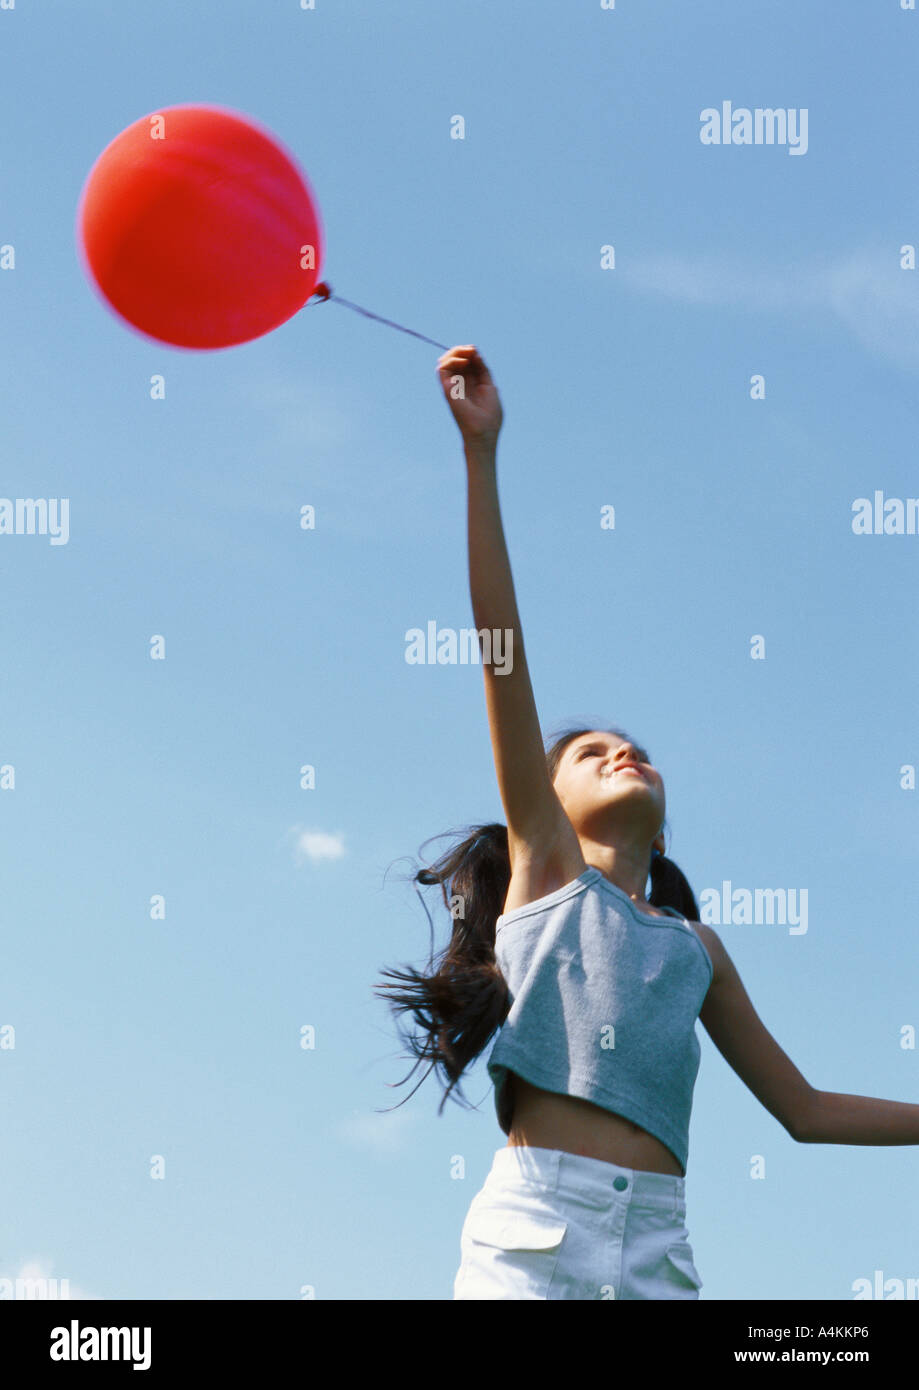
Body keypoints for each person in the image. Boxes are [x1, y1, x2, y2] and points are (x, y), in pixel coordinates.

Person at [374, 344, 919, 1300]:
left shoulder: (695, 950)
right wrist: (480, 456)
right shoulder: (545, 870)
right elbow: (498, 647)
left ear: (661, 831)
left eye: (634, 750)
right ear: (546, 807)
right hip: (537, 1227)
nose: (621, 754)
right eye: (590, 754)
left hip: (658, 1247)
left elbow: (804, 1109)